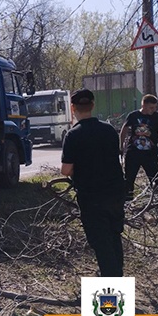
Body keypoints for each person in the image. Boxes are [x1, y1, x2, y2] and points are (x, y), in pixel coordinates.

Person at [61, 89, 125, 277]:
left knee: (101, 241)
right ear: (93, 106)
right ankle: (116, 275)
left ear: (73, 108)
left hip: (92, 196)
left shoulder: (73, 135)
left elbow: (66, 170)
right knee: (114, 236)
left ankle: (110, 289)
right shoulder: (109, 130)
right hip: (115, 192)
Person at [120, 94, 158, 199]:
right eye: (151, 107)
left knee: (156, 180)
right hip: (133, 153)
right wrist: (121, 147)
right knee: (128, 180)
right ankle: (128, 203)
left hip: (150, 154)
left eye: (155, 107)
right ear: (144, 105)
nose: (154, 109)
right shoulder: (133, 116)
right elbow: (123, 130)